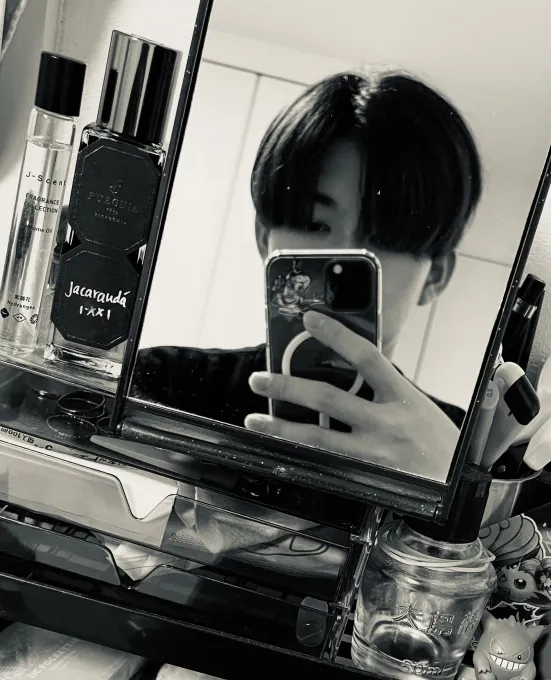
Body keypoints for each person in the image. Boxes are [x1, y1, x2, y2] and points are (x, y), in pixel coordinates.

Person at [133, 69, 482, 481]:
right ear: (265, 238)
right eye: (315, 224)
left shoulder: (463, 451)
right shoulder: (160, 382)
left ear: (436, 274)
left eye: (384, 237)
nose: (340, 263)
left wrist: (449, 486)